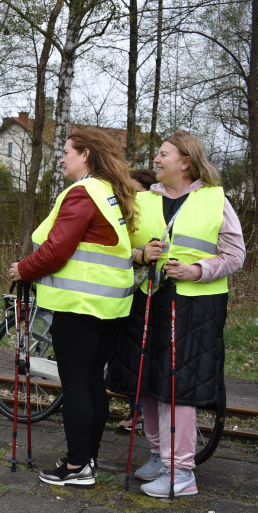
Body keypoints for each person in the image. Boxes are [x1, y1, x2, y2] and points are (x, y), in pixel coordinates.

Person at [113, 131, 245, 497]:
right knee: (151, 380)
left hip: (195, 307)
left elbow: (235, 256)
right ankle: (158, 454)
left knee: (179, 386)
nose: (155, 160)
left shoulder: (214, 200)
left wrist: (197, 270)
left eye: (163, 154)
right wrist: (141, 256)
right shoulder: (144, 201)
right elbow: (124, 250)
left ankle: (182, 472)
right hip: (150, 300)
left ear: (185, 162)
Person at [9, 128, 137, 487]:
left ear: (86, 155)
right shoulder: (108, 192)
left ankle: (77, 464)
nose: (62, 158)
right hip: (106, 306)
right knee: (92, 381)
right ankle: (87, 458)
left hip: (79, 306)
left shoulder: (82, 193)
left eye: (67, 152)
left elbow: (57, 249)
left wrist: (24, 269)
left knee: (77, 383)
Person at [117, 167, 157, 432]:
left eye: (138, 193)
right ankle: (136, 412)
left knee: (139, 350)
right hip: (127, 285)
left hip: (148, 288)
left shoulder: (154, 214)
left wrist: (137, 253)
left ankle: (138, 413)